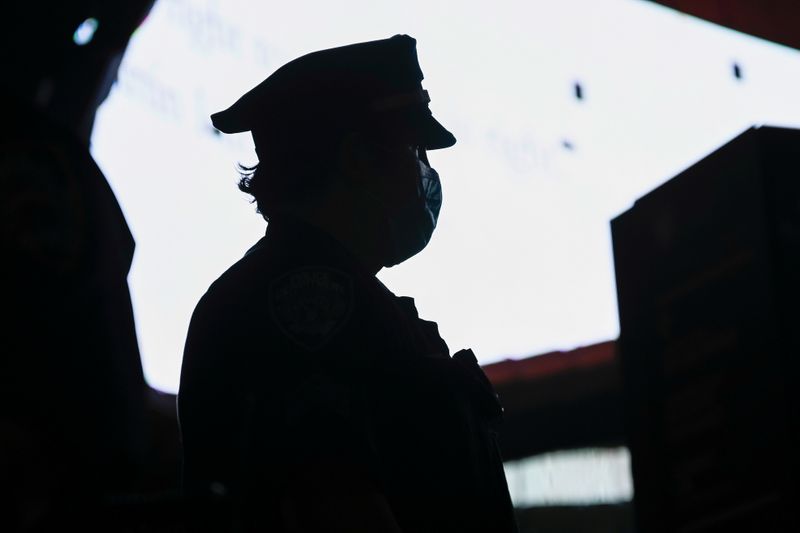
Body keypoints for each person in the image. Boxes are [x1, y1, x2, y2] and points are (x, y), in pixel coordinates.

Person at [178, 35, 518, 533]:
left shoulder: (308, 297)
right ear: (358, 157)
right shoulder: (312, 307)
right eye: (415, 148)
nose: (426, 172)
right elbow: (334, 498)